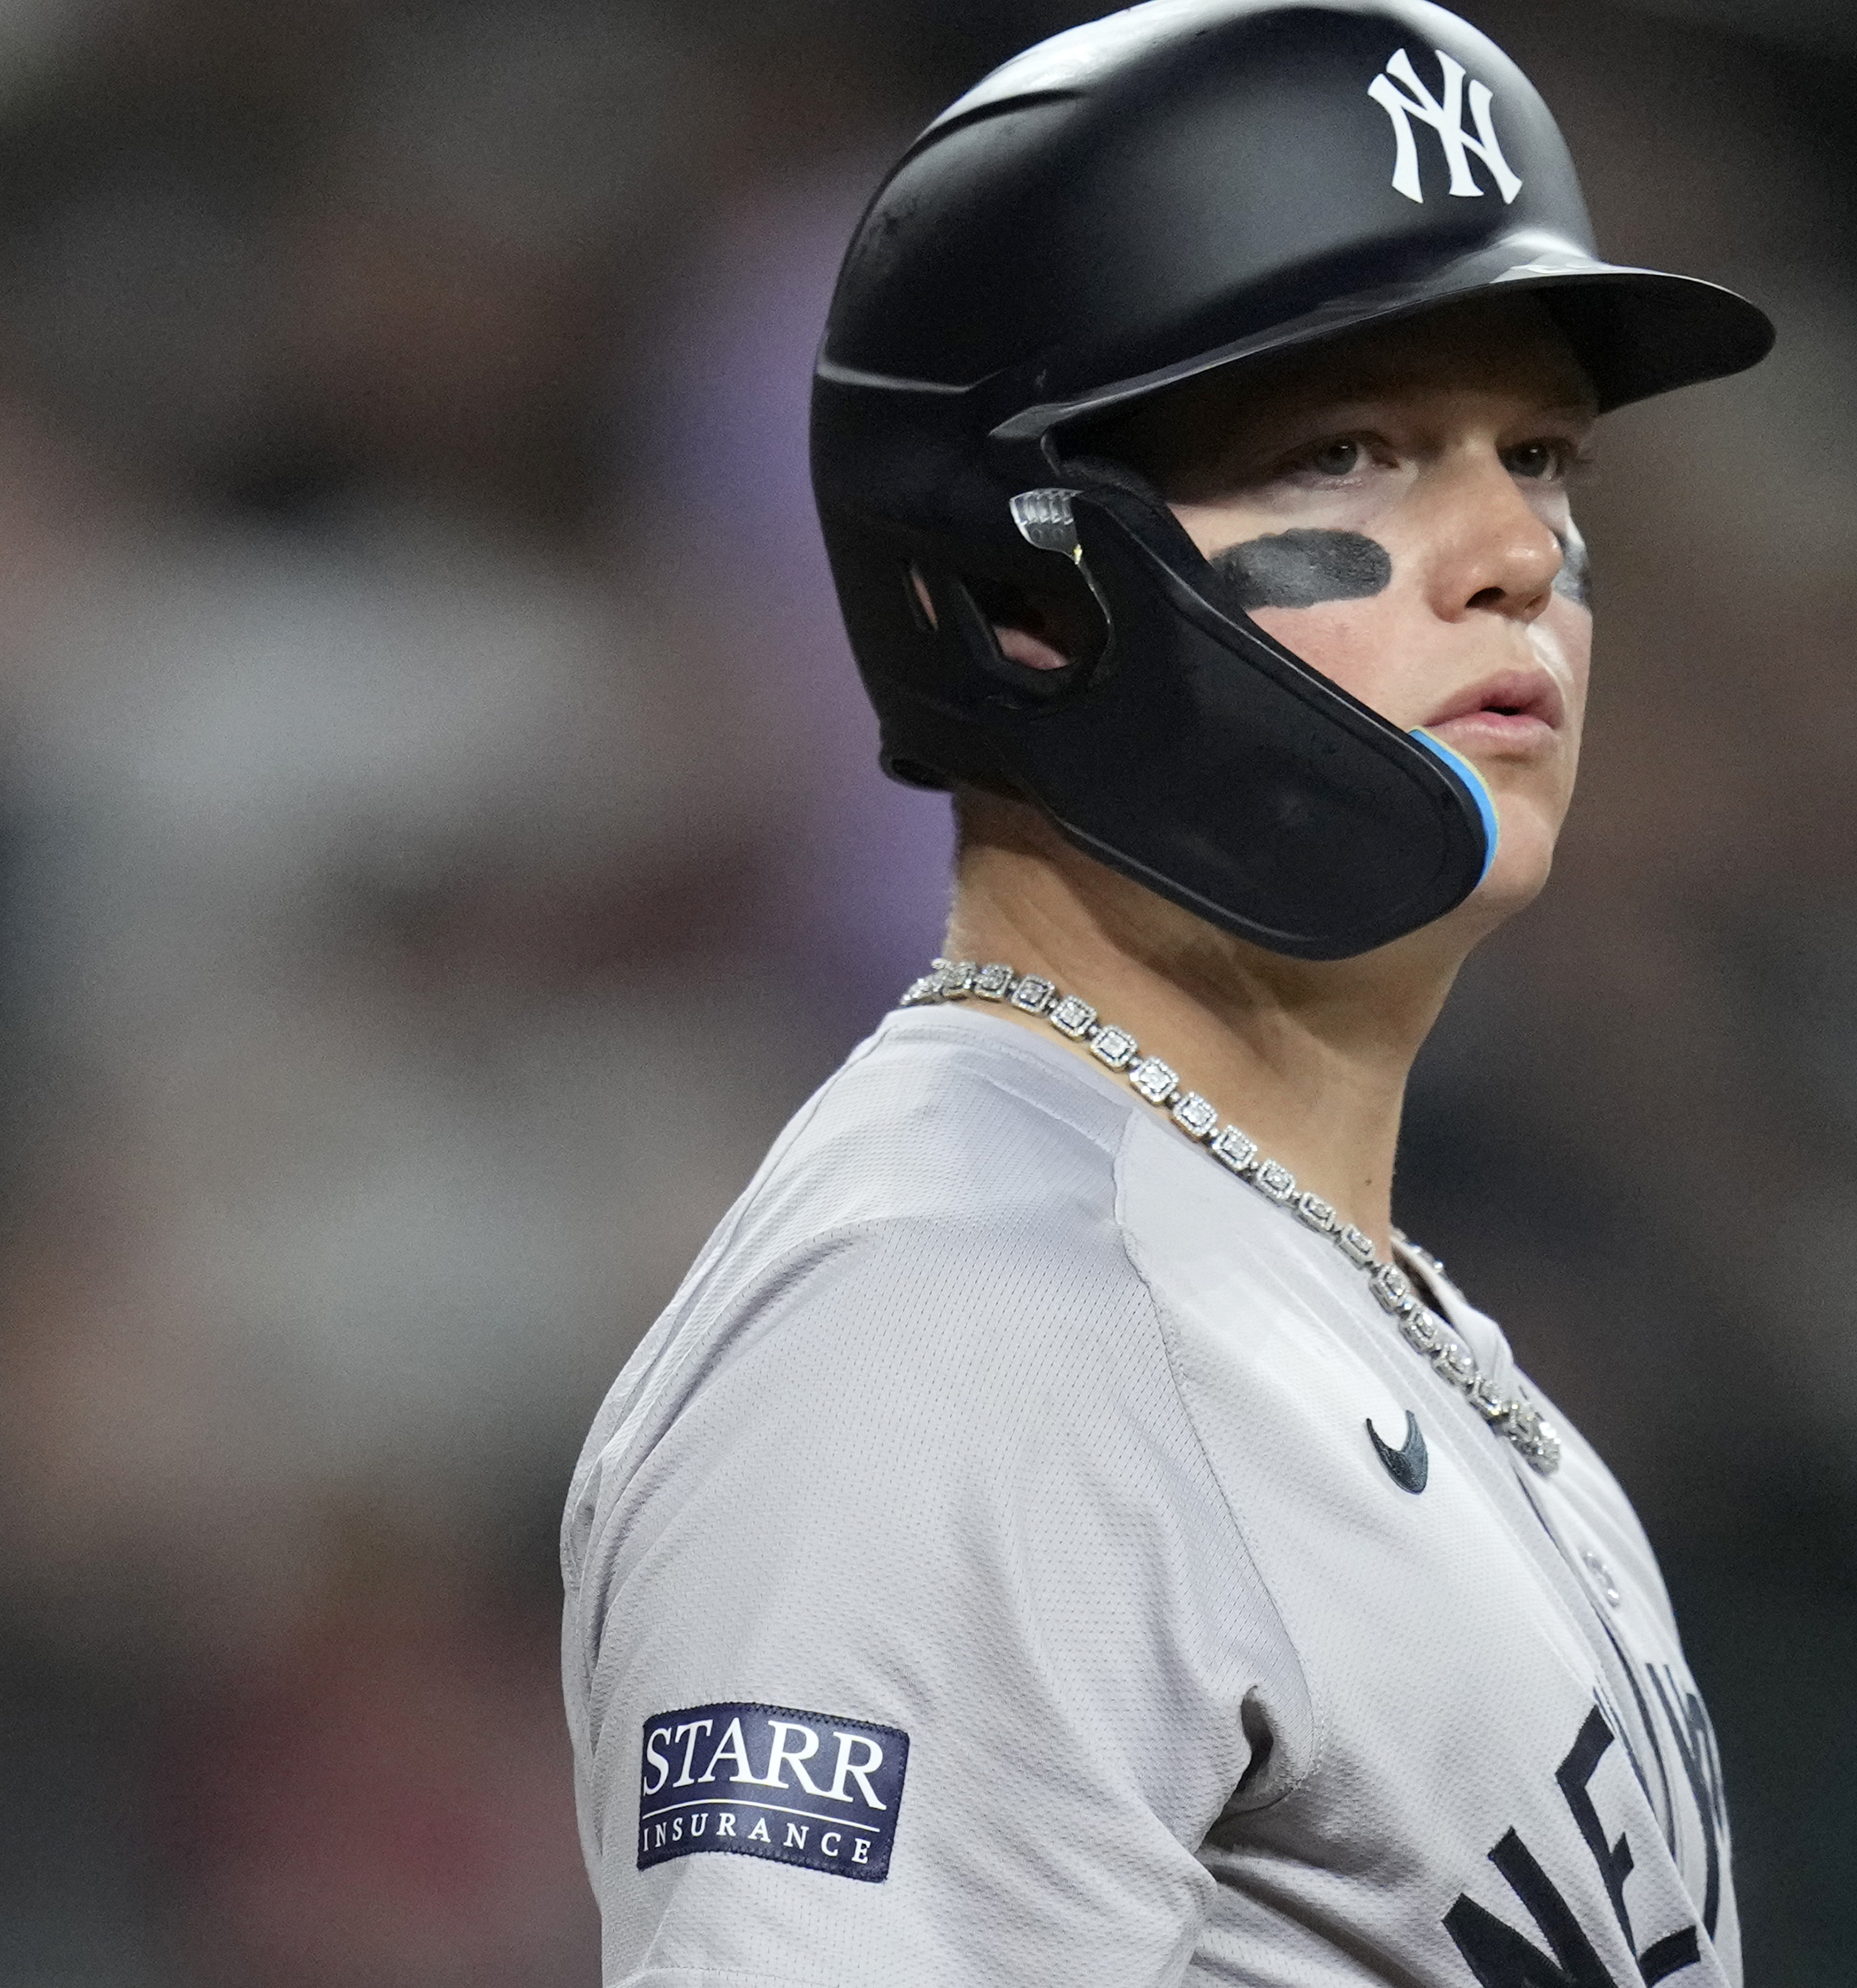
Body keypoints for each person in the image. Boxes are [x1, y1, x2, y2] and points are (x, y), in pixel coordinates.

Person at [557, 2, 1772, 1982]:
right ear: (1026, 590)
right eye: (1353, 450)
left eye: (1540, 451)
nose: (1511, 554)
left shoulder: (1294, 1293)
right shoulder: (956, 1340)